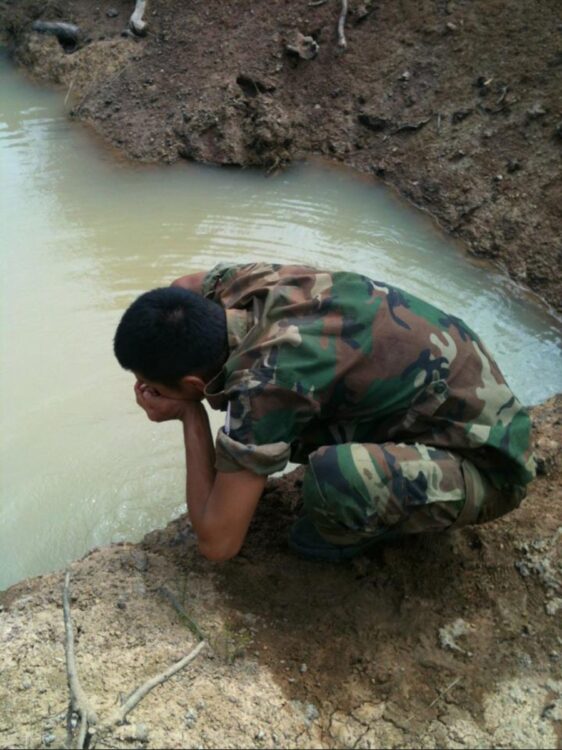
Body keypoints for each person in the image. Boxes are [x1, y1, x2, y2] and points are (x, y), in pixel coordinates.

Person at [113, 263, 536, 562]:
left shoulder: (267, 386)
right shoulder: (245, 284)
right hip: (464, 387)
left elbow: (217, 544)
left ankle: (360, 534)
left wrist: (191, 415)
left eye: (155, 387)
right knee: (300, 432)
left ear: (191, 384)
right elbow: (183, 284)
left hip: (487, 465)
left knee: (333, 485)